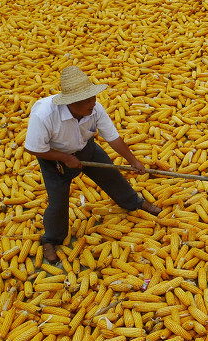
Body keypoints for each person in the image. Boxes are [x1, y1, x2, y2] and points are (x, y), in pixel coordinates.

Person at [25, 65, 162, 263]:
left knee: (111, 176)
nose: (93, 103)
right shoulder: (44, 115)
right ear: (70, 102)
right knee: (57, 202)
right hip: (54, 159)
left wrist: (134, 161)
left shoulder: (94, 109)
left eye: (93, 97)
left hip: (85, 148)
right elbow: (33, 148)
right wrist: (65, 158)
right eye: (87, 100)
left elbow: (113, 138)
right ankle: (51, 239)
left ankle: (134, 202)